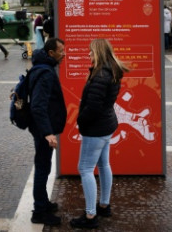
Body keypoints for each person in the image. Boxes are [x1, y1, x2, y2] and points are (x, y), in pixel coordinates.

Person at [70, 39, 129, 229]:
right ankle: (104, 205)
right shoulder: (111, 70)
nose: (89, 55)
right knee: (104, 165)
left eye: (91, 52)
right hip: (107, 125)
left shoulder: (100, 75)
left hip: (95, 129)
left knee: (85, 169)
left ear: (99, 53)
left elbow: (93, 107)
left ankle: (90, 216)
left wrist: (80, 121)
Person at [28, 37, 67, 226]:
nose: (64, 53)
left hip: (42, 127)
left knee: (44, 166)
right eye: (61, 50)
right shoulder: (46, 73)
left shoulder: (43, 66)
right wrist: (47, 132)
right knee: (42, 168)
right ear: (51, 53)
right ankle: (39, 212)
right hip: (43, 129)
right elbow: (37, 106)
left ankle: (43, 203)